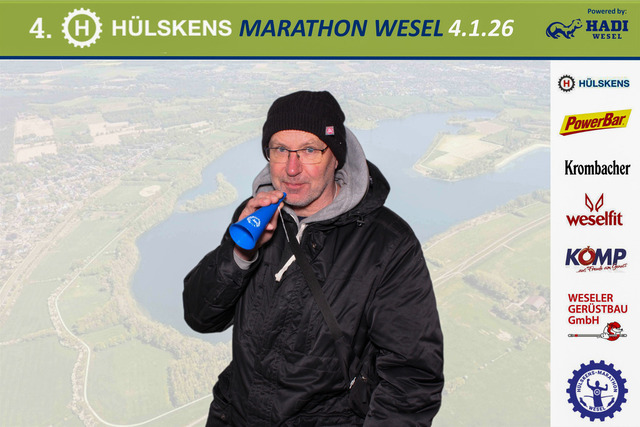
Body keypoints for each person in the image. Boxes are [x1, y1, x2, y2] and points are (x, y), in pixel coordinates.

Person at [183, 90, 444, 426]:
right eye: (280, 150)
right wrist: (239, 254)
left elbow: (412, 379)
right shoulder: (255, 217)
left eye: (309, 150)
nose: (292, 168)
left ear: (336, 157)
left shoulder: (387, 245)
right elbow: (200, 316)